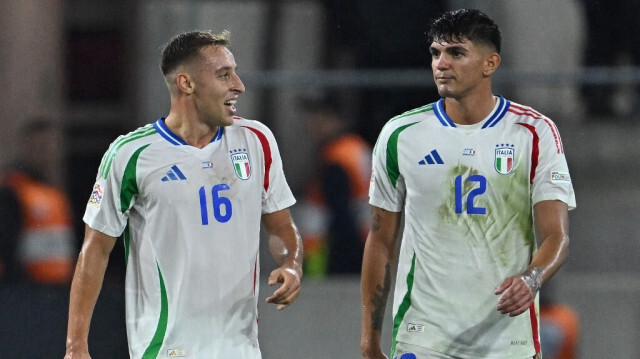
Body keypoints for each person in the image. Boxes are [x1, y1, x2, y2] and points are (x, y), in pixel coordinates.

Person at [64, 30, 303, 359]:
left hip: (240, 349)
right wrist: (76, 347)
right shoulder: (131, 154)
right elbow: (95, 251)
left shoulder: (256, 140)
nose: (239, 85)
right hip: (165, 348)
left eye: (234, 72)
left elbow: (280, 227)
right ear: (186, 84)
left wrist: (292, 263)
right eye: (224, 75)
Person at [361, 9, 576, 359]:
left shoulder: (534, 133)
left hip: (506, 339)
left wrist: (532, 279)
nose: (441, 64)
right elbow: (381, 239)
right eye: (435, 53)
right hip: (424, 335)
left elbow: (557, 236)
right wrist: (369, 338)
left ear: (490, 63)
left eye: (456, 53)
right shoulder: (400, 134)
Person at [297, 95, 371, 276]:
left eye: (319, 118)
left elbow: (340, 214)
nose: (312, 125)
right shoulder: (354, 147)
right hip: (363, 245)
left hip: (334, 254)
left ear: (335, 120)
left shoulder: (336, 158)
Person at [0, 119, 75, 285]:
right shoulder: (14, 190)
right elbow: (6, 244)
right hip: (27, 290)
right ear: (26, 147)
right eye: (40, 146)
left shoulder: (56, 193)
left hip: (58, 287)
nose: (47, 152)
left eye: (50, 145)